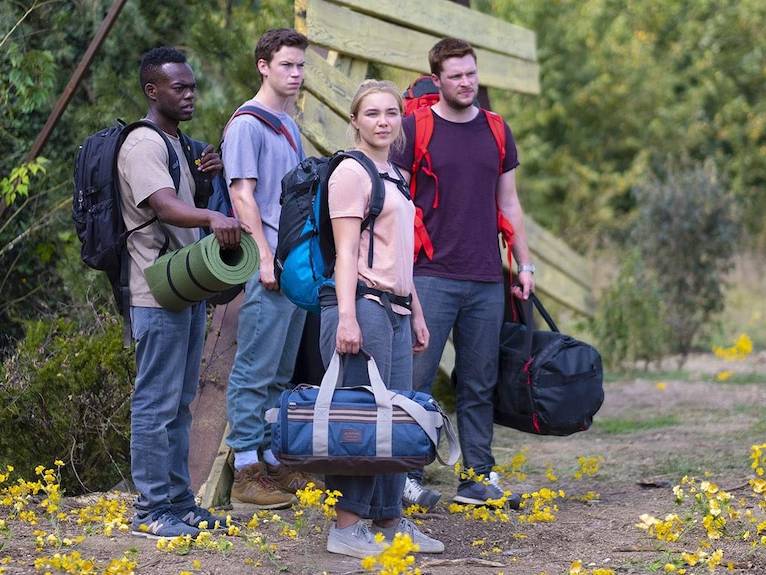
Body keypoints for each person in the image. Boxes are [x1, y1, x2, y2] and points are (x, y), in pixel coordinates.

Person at [390, 38, 536, 509]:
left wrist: (524, 263)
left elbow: (509, 202)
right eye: (456, 76)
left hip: (487, 277)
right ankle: (404, 478)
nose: (466, 82)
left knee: (479, 381)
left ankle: (477, 477)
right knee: (416, 382)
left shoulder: (497, 129)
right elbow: (393, 203)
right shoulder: (415, 128)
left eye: (471, 73)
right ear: (437, 79)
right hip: (428, 274)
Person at [119, 46, 247, 539]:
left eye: (192, 86)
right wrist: (213, 216)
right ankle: (151, 510)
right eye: (179, 87)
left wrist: (204, 177)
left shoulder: (177, 143)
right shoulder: (143, 144)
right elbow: (165, 207)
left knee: (180, 402)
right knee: (156, 401)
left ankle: (178, 501)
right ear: (153, 91)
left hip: (185, 288)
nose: (190, 94)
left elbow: (181, 196)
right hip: (155, 292)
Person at [320, 79, 444, 558]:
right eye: (372, 114)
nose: (384, 122)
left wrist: (415, 311)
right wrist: (347, 318)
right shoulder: (351, 173)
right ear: (355, 120)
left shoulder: (393, 173)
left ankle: (391, 521)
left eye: (392, 113)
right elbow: (347, 252)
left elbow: (402, 254)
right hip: (363, 306)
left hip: (394, 307)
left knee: (396, 420)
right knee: (361, 419)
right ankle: (346, 528)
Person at [222, 28, 320, 509]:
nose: (296, 73)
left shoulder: (289, 124)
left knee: (281, 372)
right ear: (263, 65)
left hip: (295, 265)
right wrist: (263, 256)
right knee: (254, 370)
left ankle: (273, 462)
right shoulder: (248, 124)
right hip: (269, 263)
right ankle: (245, 471)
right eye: (287, 65)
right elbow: (243, 195)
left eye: (301, 66)